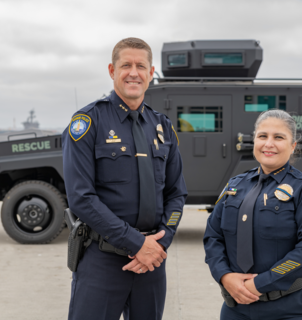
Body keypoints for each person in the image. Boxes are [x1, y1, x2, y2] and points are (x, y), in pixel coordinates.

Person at [62, 37, 187, 320]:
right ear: (111, 70)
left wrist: (160, 242)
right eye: (126, 65)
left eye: (141, 66)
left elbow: (176, 193)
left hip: (152, 263)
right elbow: (82, 199)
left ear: (151, 73)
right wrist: (136, 244)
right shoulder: (87, 123)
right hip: (102, 260)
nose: (134, 72)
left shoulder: (162, 126)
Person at [204, 109, 302, 320]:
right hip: (236, 308)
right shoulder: (235, 186)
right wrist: (225, 276)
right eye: (262, 136)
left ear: (293, 146)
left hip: (293, 309)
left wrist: (258, 285)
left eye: (279, 137)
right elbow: (213, 236)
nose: (269, 143)